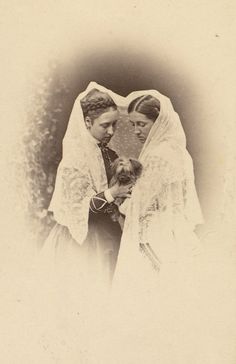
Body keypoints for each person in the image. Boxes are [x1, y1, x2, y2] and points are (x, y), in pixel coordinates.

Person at [98, 90, 205, 364]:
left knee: (147, 303)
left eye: (141, 125)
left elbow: (138, 203)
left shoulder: (158, 155)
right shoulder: (178, 151)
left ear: (157, 123)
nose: (135, 131)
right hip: (173, 232)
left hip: (154, 236)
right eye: (132, 124)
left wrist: (119, 201)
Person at [40, 82, 131, 299]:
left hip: (109, 236)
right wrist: (113, 193)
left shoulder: (110, 154)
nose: (111, 131)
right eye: (105, 125)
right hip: (81, 240)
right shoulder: (74, 159)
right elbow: (79, 208)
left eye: (114, 125)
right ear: (88, 122)